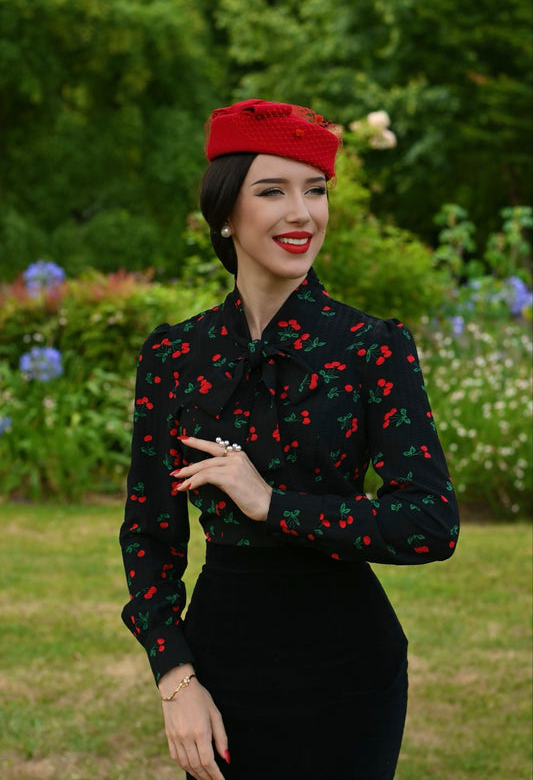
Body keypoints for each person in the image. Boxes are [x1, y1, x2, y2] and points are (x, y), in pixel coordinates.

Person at [119, 98, 459, 780]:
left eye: (316, 190)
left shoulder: (371, 347)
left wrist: (271, 505)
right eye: (272, 191)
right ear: (225, 213)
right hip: (219, 667)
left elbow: (430, 523)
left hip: (349, 673)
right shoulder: (174, 356)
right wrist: (176, 678)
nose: (302, 214)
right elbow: (149, 534)